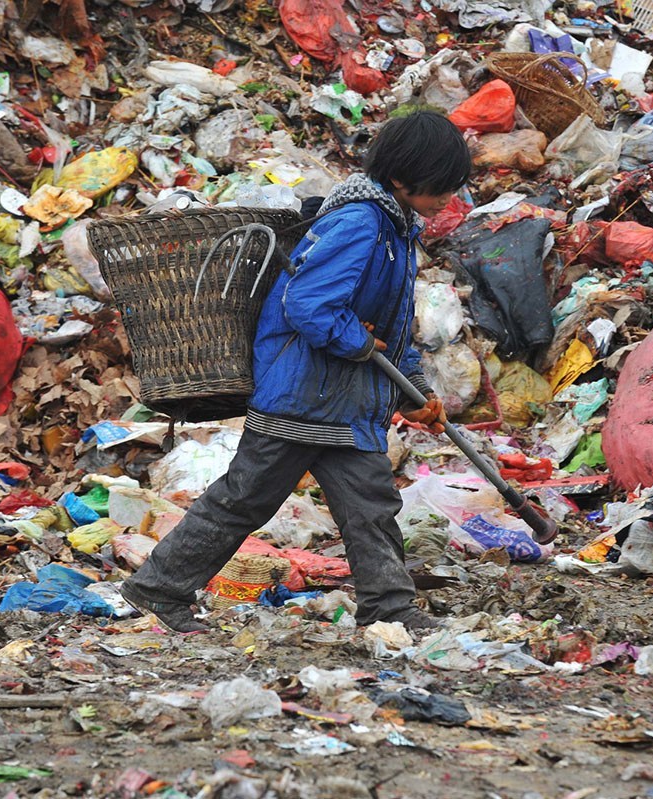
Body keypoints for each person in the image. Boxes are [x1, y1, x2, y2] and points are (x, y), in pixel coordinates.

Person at [121, 111, 472, 633]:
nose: (449, 196)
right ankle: (156, 589)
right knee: (242, 500)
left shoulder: (396, 230)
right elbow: (308, 304)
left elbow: (394, 328)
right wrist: (356, 341)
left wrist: (415, 392)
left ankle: (390, 610)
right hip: (302, 397)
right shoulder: (359, 222)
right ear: (401, 178)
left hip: (348, 406)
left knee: (371, 507)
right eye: (441, 184)